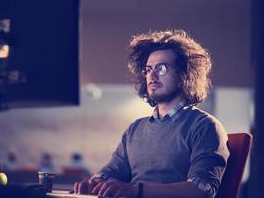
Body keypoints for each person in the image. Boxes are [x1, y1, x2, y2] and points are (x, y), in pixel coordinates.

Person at [71, 30, 230, 198]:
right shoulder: (135, 129)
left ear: (185, 74)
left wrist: (136, 191)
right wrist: (93, 184)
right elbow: (112, 172)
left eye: (161, 68)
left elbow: (201, 190)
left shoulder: (204, 126)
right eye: (148, 69)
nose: (152, 76)